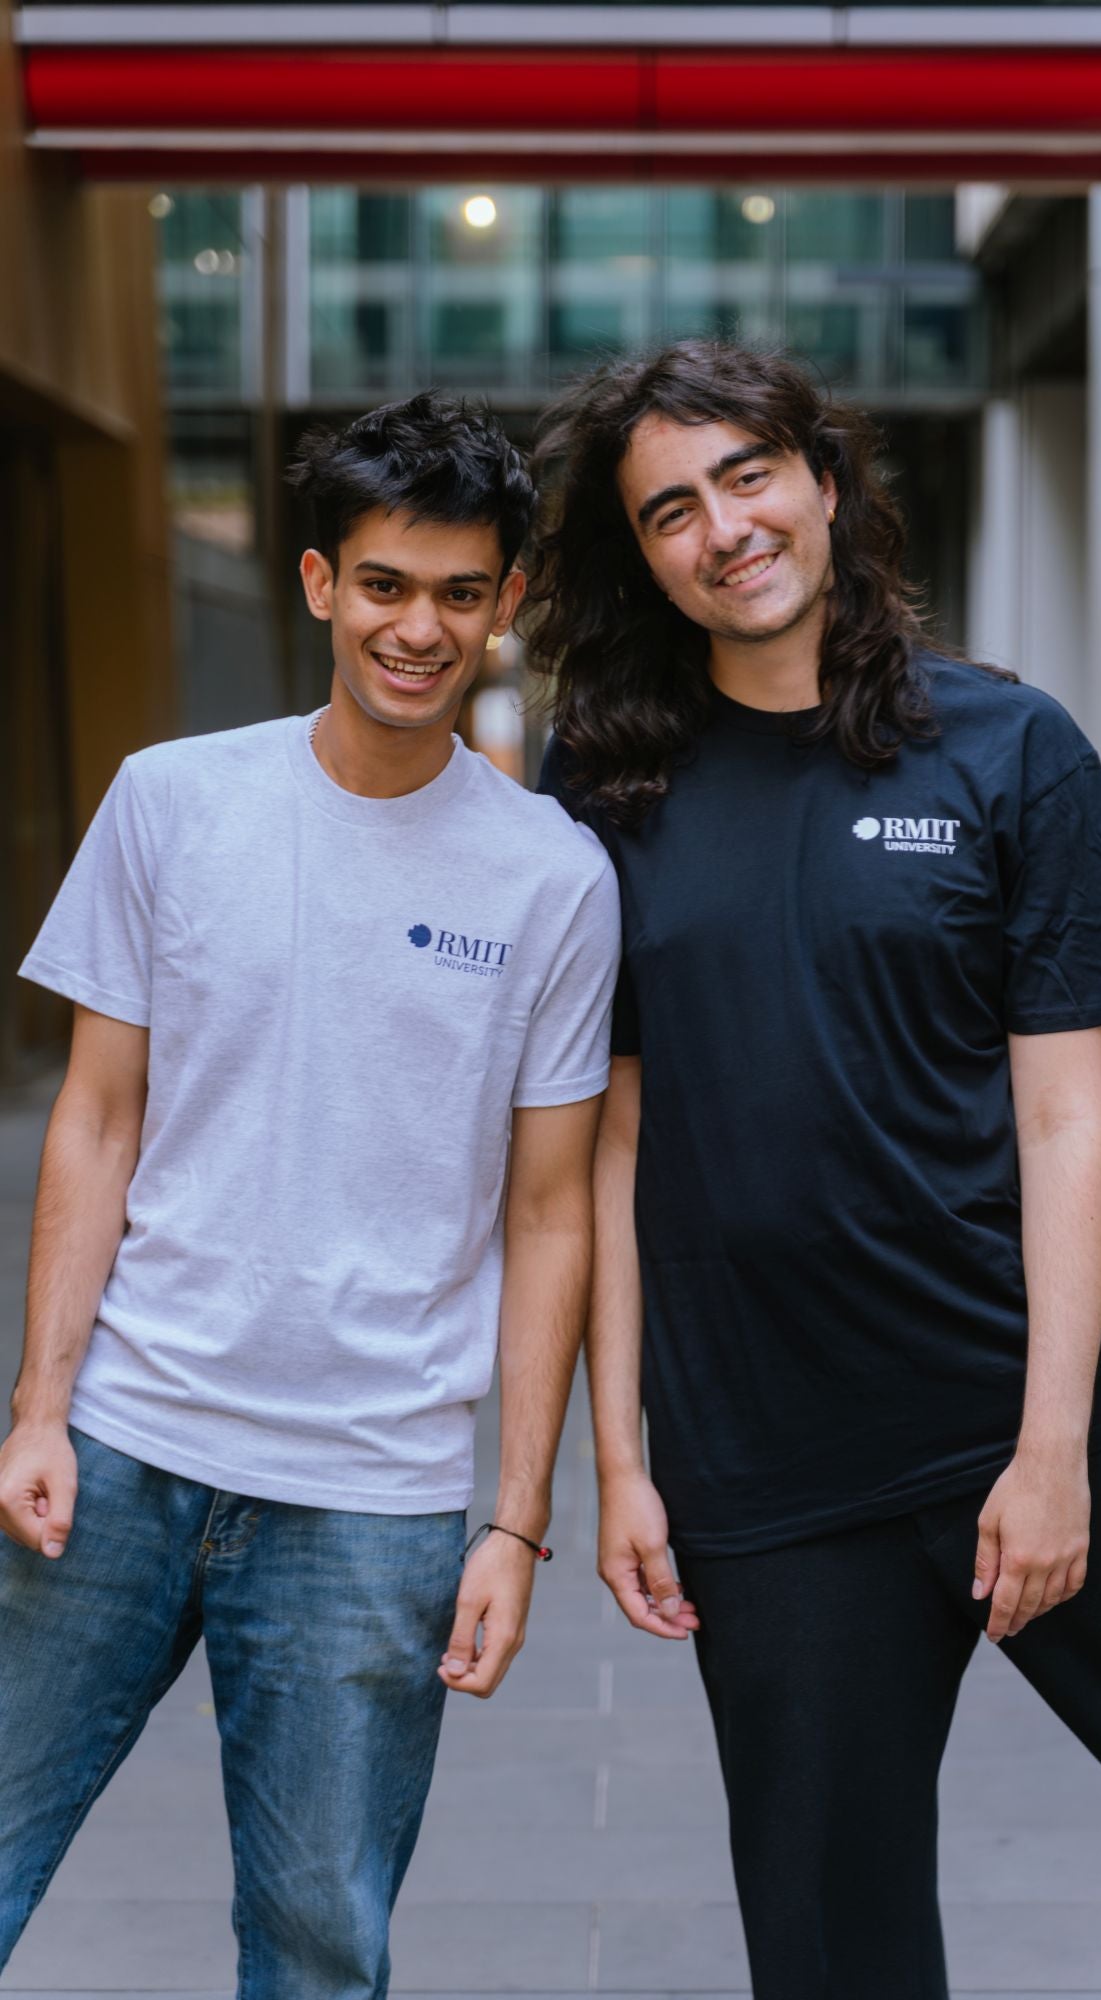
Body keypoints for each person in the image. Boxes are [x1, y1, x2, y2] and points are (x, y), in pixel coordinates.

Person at [529, 340, 1101, 1999]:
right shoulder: (603, 788)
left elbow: (1061, 1118)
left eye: (747, 476)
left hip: (1037, 1400)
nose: (722, 528)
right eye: (669, 508)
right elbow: (608, 1133)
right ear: (641, 557)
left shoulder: (1005, 748)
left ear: (823, 482)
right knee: (831, 1950)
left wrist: (1050, 1454)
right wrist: (620, 1461)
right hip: (767, 1459)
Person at [0, 393, 620, 1997]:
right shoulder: (170, 799)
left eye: (460, 594)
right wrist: (38, 1407)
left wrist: (516, 1520)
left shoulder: (552, 877)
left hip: (373, 1495)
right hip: (124, 1448)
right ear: (318, 583)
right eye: (387, 585)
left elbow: (552, 1212)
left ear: (509, 605)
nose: (420, 630)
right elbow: (97, 1119)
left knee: (318, 1948)